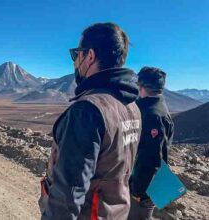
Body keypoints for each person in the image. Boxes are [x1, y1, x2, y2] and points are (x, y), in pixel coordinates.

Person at [41, 22, 142, 220]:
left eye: (76, 54)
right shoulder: (132, 106)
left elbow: (69, 192)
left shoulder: (87, 110)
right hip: (114, 212)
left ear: (90, 56)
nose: (74, 62)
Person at [128, 67, 174, 220]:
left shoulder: (152, 114)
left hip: (145, 187)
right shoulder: (159, 108)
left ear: (141, 85)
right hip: (152, 182)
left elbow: (150, 157)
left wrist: (138, 191)